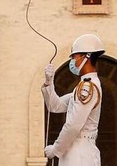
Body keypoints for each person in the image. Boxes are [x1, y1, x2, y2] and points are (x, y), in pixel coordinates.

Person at [42, 33, 105, 166]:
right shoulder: (82, 86)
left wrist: (56, 149)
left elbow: (74, 125)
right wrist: (49, 83)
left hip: (80, 154)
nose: (72, 61)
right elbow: (55, 106)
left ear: (86, 57)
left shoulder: (89, 87)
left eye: (74, 56)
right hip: (75, 151)